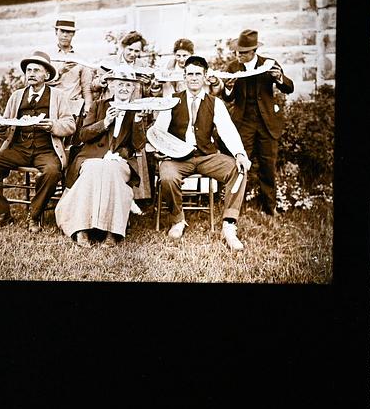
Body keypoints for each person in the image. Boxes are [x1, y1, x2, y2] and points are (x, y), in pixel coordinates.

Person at [154, 55, 251, 251]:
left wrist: (240, 154)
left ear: (205, 76)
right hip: (178, 158)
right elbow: (159, 131)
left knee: (238, 169)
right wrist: (162, 150)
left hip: (207, 156)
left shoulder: (215, 103)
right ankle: (178, 220)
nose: (193, 78)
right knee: (167, 176)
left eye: (198, 74)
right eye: (190, 74)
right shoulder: (171, 101)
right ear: (184, 76)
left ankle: (229, 225)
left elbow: (228, 131)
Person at [0, 51, 78, 232]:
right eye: (28, 70)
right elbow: (5, 126)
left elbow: (70, 125)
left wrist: (53, 125)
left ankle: (34, 215)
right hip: (18, 150)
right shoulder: (16, 96)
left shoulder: (58, 96)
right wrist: (0, 128)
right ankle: (1, 214)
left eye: (36, 70)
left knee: (52, 171)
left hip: (46, 150)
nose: (31, 74)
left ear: (46, 75)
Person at [55, 68, 150, 248]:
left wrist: (138, 121)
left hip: (120, 160)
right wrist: (105, 122)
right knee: (94, 169)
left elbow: (138, 146)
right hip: (92, 157)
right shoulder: (98, 106)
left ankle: (112, 232)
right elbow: (83, 135)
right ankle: (81, 229)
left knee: (111, 170)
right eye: (120, 84)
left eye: (128, 85)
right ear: (112, 86)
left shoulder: (136, 110)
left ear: (134, 89)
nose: (124, 88)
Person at [221, 29, 293, 216]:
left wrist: (279, 78)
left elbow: (289, 88)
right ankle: (236, 208)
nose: (239, 55)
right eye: (237, 52)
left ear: (254, 51)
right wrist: (228, 88)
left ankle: (270, 208)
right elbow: (227, 98)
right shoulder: (232, 67)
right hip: (243, 123)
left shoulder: (269, 64)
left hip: (267, 123)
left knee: (268, 166)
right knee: (240, 164)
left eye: (243, 52)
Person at [50, 16, 94, 112]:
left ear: (73, 34)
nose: (65, 35)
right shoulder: (48, 57)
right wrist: (59, 72)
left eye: (69, 32)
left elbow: (86, 87)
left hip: (74, 108)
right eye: (62, 31)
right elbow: (40, 82)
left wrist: (88, 107)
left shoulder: (80, 59)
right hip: (52, 106)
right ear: (56, 32)